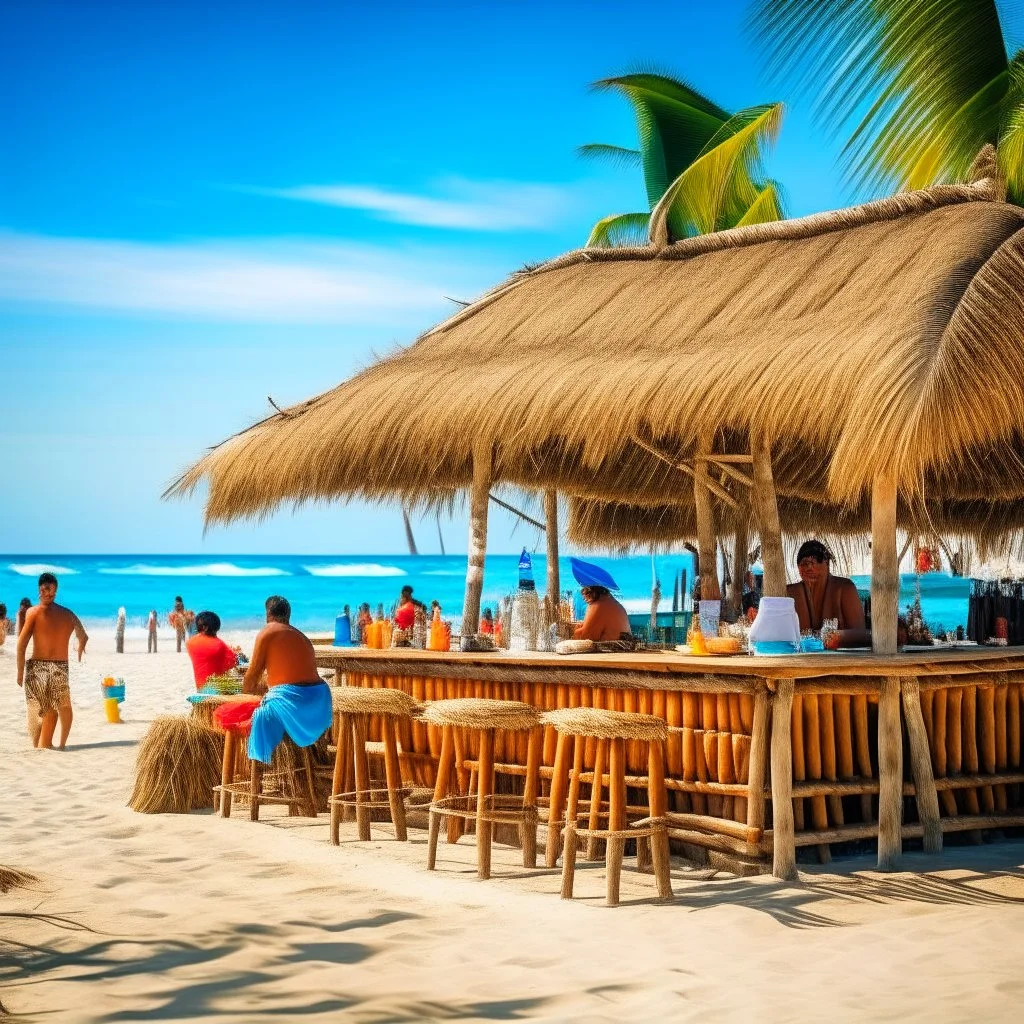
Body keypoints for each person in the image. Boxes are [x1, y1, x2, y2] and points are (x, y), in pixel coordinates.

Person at [242, 596, 332, 764]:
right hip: (320, 701)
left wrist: (243, 694)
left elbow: (252, 675)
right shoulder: (300, 635)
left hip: (295, 702)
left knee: (260, 714)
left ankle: (260, 766)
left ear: (268, 614)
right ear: (288, 616)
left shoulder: (268, 630)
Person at [16, 572, 88, 749]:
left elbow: (21, 645)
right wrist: (79, 648)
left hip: (40, 667)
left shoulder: (33, 612)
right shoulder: (68, 614)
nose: (49, 594)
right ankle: (58, 744)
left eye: (52, 591)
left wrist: (19, 672)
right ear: (40, 589)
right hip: (57, 667)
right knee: (60, 706)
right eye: (47, 590)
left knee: (43, 710)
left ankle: (44, 746)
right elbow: (83, 635)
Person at [786, 540, 870, 648]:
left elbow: (861, 634)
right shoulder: (791, 592)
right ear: (799, 568)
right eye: (804, 564)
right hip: (799, 660)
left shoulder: (844, 588)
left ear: (827, 564)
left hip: (842, 660)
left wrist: (839, 637)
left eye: (815, 562)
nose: (809, 568)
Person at [186, 611, 238, 690]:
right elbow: (233, 663)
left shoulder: (190, 643)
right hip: (218, 690)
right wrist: (236, 653)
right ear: (205, 628)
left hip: (201, 689)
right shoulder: (219, 645)